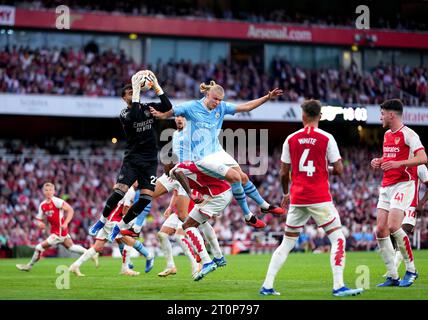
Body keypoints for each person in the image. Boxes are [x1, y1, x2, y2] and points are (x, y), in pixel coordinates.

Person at [259, 99, 363, 297]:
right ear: (320, 116)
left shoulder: (290, 139)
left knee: (287, 243)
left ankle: (267, 285)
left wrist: (285, 193)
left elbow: (283, 172)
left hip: (298, 198)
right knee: (338, 238)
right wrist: (325, 169)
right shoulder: (326, 138)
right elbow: (340, 169)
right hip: (320, 198)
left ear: (303, 116)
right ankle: (339, 285)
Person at [150, 81, 285, 229]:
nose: (218, 103)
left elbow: (245, 106)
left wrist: (267, 97)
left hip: (217, 151)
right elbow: (173, 111)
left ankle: (264, 206)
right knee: (235, 177)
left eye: (220, 100)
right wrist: (162, 115)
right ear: (207, 95)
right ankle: (247, 215)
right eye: (215, 99)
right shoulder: (191, 107)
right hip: (202, 158)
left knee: (244, 177)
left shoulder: (221, 107)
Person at [88, 70, 172, 242]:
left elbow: (167, 106)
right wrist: (136, 88)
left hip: (149, 160)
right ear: (124, 98)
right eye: (130, 93)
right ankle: (102, 221)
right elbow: (134, 116)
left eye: (134, 91)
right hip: (133, 159)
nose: (133, 94)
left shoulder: (148, 107)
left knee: (146, 198)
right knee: (120, 192)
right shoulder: (125, 114)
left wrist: (157, 87)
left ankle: (120, 226)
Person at [371, 99, 427, 287]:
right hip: (386, 185)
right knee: (380, 230)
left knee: (394, 226)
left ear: (391, 115)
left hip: (404, 184)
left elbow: (423, 157)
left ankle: (411, 270)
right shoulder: (387, 134)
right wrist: (379, 161)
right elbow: (390, 158)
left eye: (382, 113)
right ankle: (393, 276)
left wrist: (399, 163)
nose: (380, 117)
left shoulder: (409, 134)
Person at [167, 160, 232, 281]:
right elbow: (199, 178)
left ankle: (207, 262)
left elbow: (178, 172)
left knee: (188, 226)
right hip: (220, 192)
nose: (163, 172)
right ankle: (218, 257)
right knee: (202, 223)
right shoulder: (190, 164)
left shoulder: (175, 169)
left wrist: (190, 193)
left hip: (218, 195)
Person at [69, 184, 154, 276]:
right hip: (114, 222)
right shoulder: (131, 191)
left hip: (108, 219)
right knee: (130, 241)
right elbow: (125, 210)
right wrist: (131, 219)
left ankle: (75, 265)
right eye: (137, 179)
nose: (138, 182)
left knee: (97, 247)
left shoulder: (124, 187)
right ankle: (128, 267)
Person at [16, 182, 98, 271]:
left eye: (50, 190)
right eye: (46, 190)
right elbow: (38, 219)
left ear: (54, 191)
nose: (48, 192)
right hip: (57, 231)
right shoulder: (42, 205)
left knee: (38, 248)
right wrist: (39, 223)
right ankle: (91, 253)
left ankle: (29, 266)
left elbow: (70, 210)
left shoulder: (57, 201)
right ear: (43, 191)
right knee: (71, 247)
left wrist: (66, 223)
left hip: (58, 233)